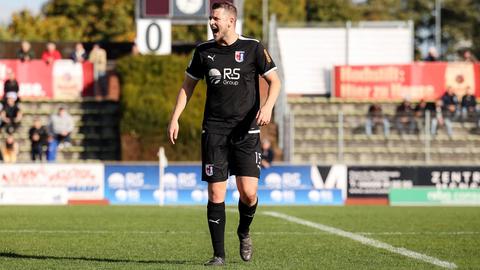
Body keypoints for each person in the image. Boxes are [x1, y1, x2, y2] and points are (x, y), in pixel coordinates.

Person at [167, 2, 280, 266]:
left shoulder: (253, 47)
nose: (211, 23)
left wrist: (268, 107)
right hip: (215, 131)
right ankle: (218, 255)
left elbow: (275, 82)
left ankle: (244, 231)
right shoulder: (203, 51)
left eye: (216, 18)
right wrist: (175, 117)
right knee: (216, 194)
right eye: (210, 18)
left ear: (231, 21)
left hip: (246, 130)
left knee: (248, 192)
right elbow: (187, 87)